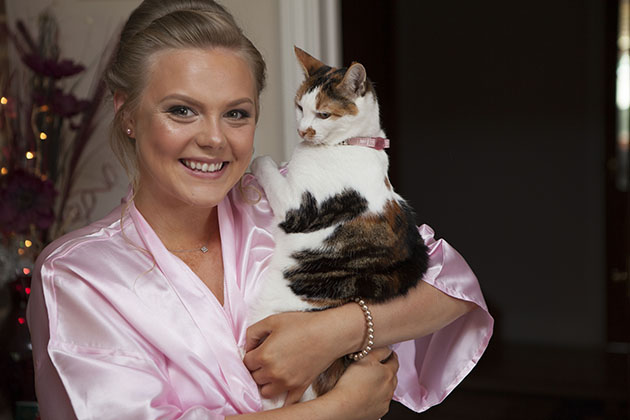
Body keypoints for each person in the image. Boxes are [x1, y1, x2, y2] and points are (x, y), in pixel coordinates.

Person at [26, 0, 494, 419]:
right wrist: (340, 409)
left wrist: (335, 332)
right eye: (182, 110)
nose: (214, 138)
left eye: (236, 113)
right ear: (127, 112)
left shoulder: (276, 205)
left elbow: (451, 286)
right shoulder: (78, 277)